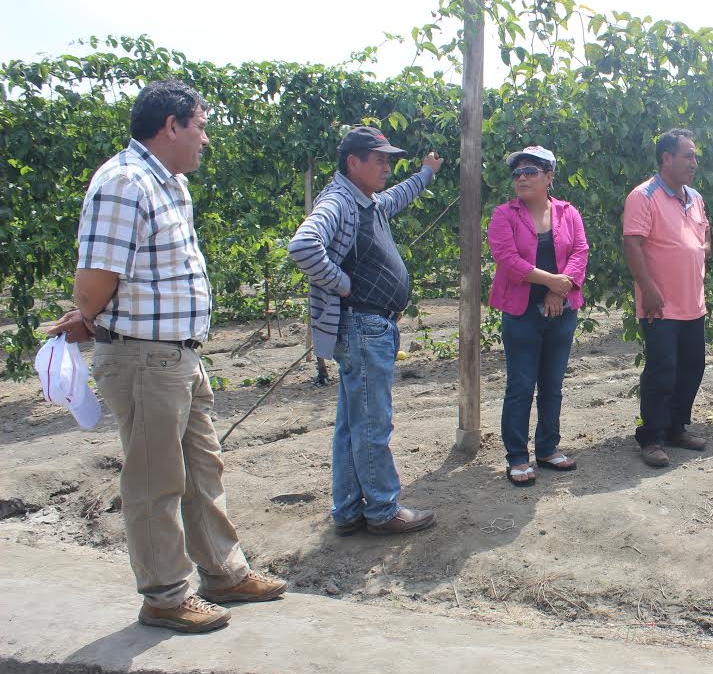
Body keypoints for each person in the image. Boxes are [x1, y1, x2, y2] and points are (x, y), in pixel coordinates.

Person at [49, 80, 287, 634]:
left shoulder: (170, 184)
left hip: (177, 355)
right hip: (143, 358)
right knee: (156, 478)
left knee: (202, 468)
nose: (205, 138)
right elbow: (93, 287)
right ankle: (163, 594)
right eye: (200, 126)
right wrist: (92, 316)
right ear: (171, 126)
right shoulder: (125, 183)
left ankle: (224, 573)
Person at [289, 127, 443, 537]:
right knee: (373, 422)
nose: (387, 168)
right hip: (362, 326)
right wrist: (340, 283)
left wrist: (426, 173)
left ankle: (348, 510)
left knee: (351, 424)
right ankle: (381, 509)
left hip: (369, 326)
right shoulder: (339, 201)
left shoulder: (367, 202)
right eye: (380, 160)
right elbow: (303, 246)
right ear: (353, 162)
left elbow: (398, 196)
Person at [487, 146, 589, 486]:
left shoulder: (568, 212)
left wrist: (557, 292)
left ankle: (547, 448)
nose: (521, 178)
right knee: (520, 385)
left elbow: (579, 251)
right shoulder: (504, 215)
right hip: (521, 313)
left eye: (530, 171)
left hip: (561, 311)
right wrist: (551, 282)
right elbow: (507, 258)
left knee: (552, 385)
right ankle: (517, 456)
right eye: (517, 173)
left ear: (548, 176)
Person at [622, 129, 711, 467]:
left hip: (693, 302)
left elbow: (705, 234)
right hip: (660, 303)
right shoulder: (643, 197)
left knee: (692, 367)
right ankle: (652, 436)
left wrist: (698, 254)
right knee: (663, 370)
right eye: (688, 155)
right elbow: (633, 245)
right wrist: (649, 289)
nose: (694, 162)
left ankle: (677, 427)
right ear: (666, 158)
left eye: (695, 156)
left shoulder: (695, 197)